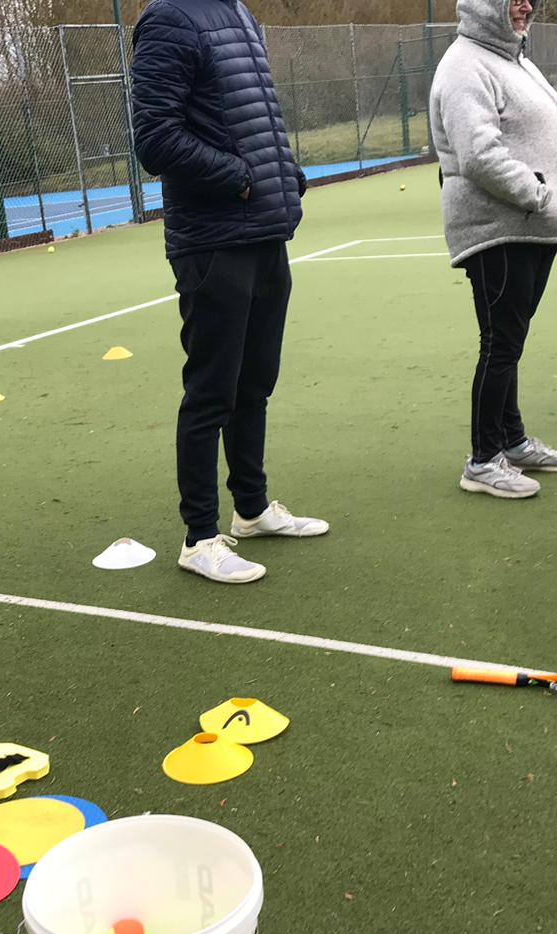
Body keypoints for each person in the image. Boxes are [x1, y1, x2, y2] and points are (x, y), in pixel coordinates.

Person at [131, 0, 328, 585]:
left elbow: (256, 118)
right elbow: (156, 138)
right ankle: (198, 538)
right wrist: (240, 177)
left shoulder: (237, 12)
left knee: (255, 383)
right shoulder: (169, 20)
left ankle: (252, 509)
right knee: (211, 391)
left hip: (264, 232)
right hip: (213, 239)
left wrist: (282, 175)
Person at [431, 0, 557, 498]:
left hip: (529, 222)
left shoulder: (512, 58)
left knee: (510, 341)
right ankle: (482, 459)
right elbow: (478, 154)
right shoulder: (464, 66)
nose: (523, 6)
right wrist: (539, 192)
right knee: (500, 343)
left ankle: (511, 441)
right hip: (498, 226)